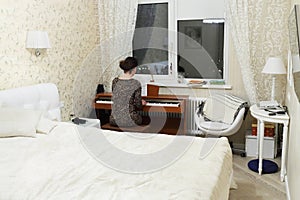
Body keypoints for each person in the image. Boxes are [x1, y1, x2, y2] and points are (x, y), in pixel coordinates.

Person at [109, 57, 147, 127]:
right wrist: (141, 102)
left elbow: (116, 97)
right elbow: (139, 106)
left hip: (114, 119)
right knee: (145, 119)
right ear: (133, 69)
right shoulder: (136, 83)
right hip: (130, 120)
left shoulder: (115, 81)